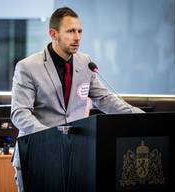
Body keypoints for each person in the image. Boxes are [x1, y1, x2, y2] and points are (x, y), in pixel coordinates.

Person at [11, 7, 144, 192]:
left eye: (79, 31)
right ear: (53, 33)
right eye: (70, 31)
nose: (77, 37)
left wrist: (140, 117)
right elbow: (19, 114)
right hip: (38, 155)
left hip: (75, 157)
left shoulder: (85, 62)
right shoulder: (27, 67)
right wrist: (50, 138)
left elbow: (104, 99)